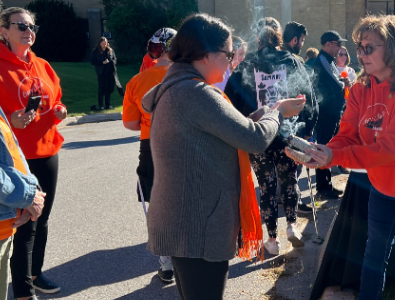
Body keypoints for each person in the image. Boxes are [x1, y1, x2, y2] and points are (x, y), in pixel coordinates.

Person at [140, 13, 303, 300]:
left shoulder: (179, 87)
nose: (232, 61)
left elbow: (227, 130)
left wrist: (259, 115)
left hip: (184, 221)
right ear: (205, 55)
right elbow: (254, 139)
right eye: (228, 54)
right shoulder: (196, 93)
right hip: (196, 227)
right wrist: (278, 112)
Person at [293, 14, 395, 300]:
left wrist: (334, 156)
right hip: (382, 184)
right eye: (359, 47)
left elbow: (387, 149)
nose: (360, 54)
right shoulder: (361, 88)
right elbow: (348, 133)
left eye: (369, 47)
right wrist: (323, 152)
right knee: (374, 253)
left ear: (393, 48)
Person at [0, 7, 67, 299]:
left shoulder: (42, 64)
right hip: (12, 166)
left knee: (41, 219)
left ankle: (34, 274)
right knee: (21, 225)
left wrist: (58, 111)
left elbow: (56, 98)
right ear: (2, 30)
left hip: (45, 151)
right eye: (21, 26)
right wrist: (11, 121)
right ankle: (24, 289)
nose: (29, 31)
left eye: (32, 26)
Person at [224, 24, 318, 256]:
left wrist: (239, 127)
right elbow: (310, 96)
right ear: (279, 40)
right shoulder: (293, 61)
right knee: (288, 179)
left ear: (259, 41)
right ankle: (292, 225)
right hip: (287, 132)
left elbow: (229, 100)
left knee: (266, 185)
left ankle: (273, 240)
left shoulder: (247, 64)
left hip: (257, 134)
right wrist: (308, 127)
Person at [121, 26, 175, 284]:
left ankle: (166, 261)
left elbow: (130, 124)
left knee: (156, 202)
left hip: (150, 143)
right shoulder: (193, 76)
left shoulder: (137, 81)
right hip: (184, 144)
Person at [305, 30, 350, 200]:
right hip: (325, 113)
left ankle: (327, 185)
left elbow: (336, 82)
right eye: (338, 44)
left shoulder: (329, 61)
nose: (340, 47)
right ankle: (323, 188)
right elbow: (335, 83)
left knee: (327, 148)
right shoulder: (323, 60)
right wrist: (343, 83)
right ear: (328, 44)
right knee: (323, 147)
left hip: (331, 112)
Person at [90, 37, 122, 110]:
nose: (104, 45)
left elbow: (115, 59)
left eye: (105, 43)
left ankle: (108, 104)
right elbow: (93, 61)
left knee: (108, 88)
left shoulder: (110, 50)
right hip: (101, 73)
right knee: (101, 89)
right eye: (103, 43)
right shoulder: (96, 51)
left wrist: (112, 62)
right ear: (100, 44)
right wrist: (102, 62)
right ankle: (101, 105)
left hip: (109, 72)